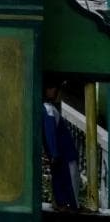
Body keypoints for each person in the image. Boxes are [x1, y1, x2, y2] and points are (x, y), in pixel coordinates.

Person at [42, 80, 80, 212]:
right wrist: (54, 152)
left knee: (58, 179)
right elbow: (50, 132)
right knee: (71, 178)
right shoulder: (48, 109)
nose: (55, 91)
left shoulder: (44, 108)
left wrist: (52, 153)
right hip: (64, 152)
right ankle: (74, 207)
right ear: (46, 90)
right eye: (52, 88)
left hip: (56, 153)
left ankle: (61, 204)